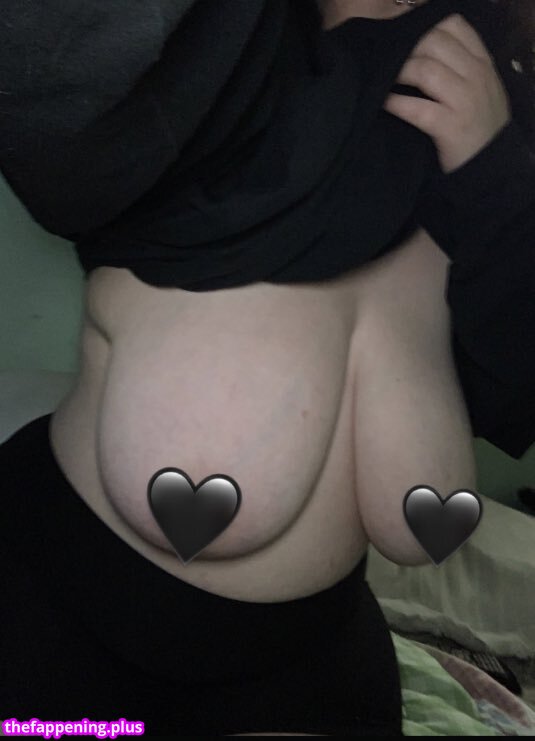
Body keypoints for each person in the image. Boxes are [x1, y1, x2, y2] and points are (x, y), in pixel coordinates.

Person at [1, 0, 534, 735]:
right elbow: (47, 87)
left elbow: (514, 384)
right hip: (68, 606)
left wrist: (496, 171)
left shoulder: (495, 83)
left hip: (311, 646)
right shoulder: (203, 64)